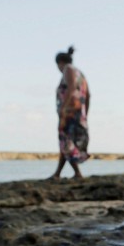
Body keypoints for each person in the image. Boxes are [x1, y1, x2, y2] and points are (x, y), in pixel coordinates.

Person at [49, 46, 90, 181]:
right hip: (78, 113)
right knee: (67, 142)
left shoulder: (68, 70)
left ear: (60, 62)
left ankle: (68, 173)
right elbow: (88, 95)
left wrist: (64, 108)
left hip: (70, 113)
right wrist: (85, 114)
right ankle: (59, 173)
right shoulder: (80, 74)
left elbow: (71, 89)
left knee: (65, 141)